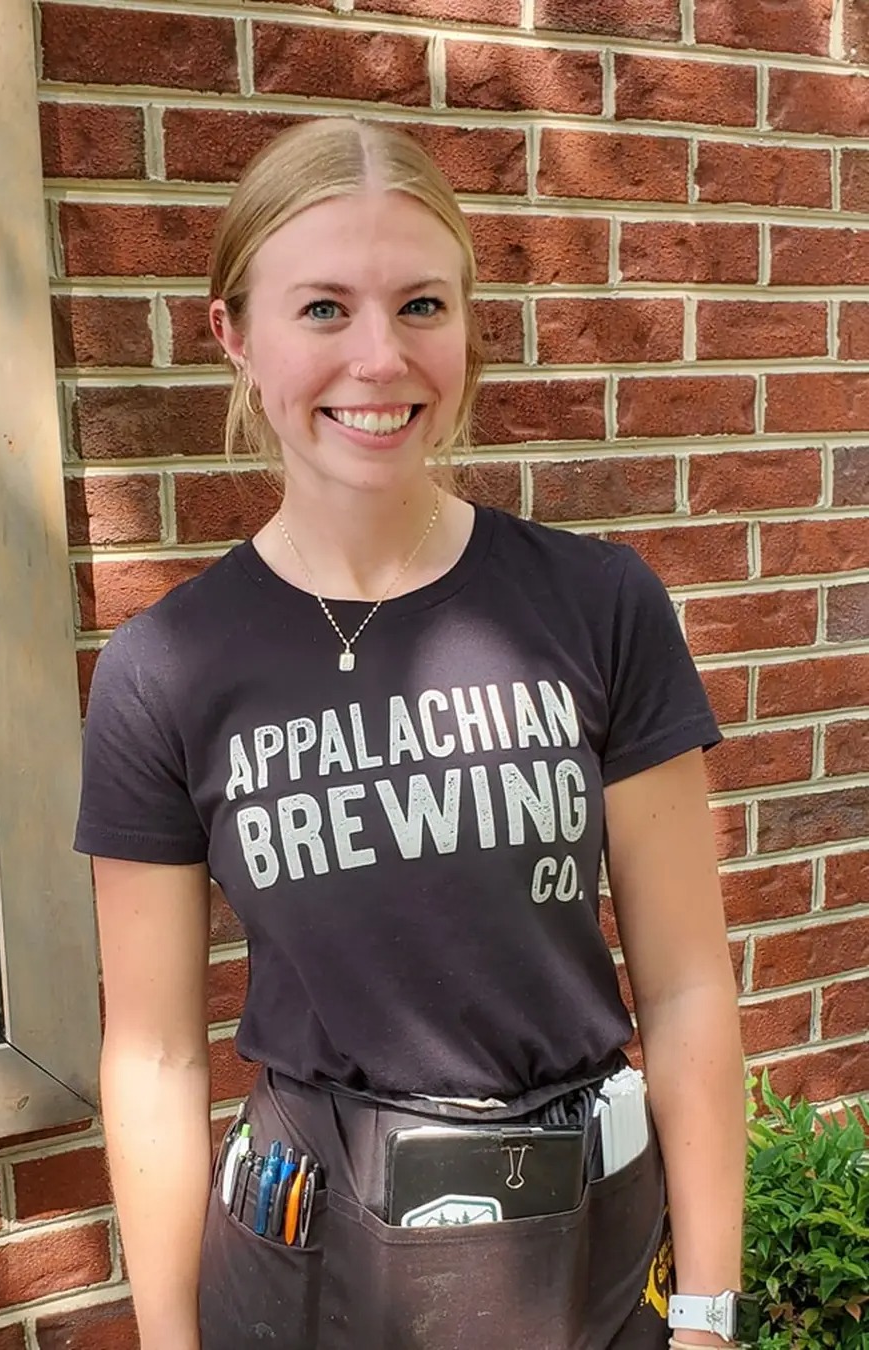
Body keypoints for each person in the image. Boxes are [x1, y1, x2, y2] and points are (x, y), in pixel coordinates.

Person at [74, 117, 748, 1350]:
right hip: (307, 1277)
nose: (379, 359)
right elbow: (156, 1057)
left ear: (468, 325)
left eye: (421, 304)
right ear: (235, 334)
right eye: (323, 309)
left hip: (588, 1274)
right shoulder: (163, 669)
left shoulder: (599, 606)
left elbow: (688, 984)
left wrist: (706, 1312)